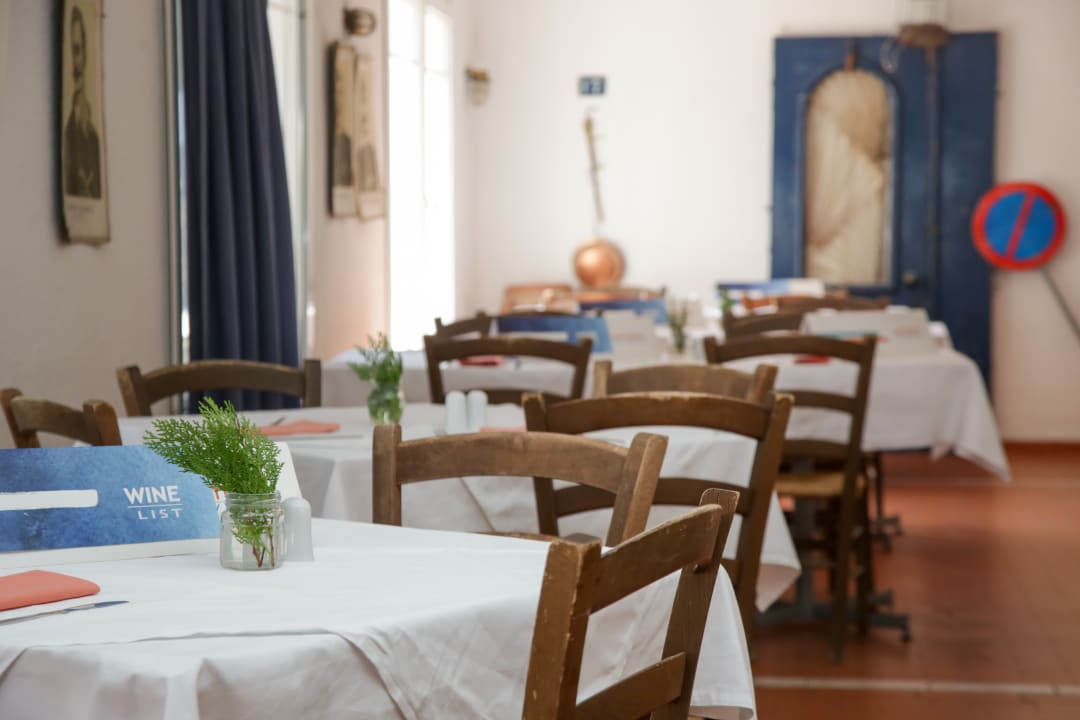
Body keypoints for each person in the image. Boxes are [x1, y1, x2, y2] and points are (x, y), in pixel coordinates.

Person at [64, 5, 101, 198]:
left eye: (77, 50)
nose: (74, 64)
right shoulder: (68, 132)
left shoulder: (93, 135)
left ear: (86, 53)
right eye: (71, 51)